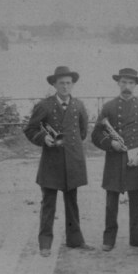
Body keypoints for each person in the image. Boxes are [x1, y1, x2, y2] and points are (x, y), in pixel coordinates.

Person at [23, 66, 94, 257]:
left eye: (68, 83)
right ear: (54, 84)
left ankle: (75, 240)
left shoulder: (78, 105)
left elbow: (82, 131)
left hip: (73, 161)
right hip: (51, 161)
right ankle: (45, 243)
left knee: (72, 202)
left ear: (73, 85)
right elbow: (30, 129)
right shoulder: (44, 105)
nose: (65, 86)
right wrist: (43, 138)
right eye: (61, 83)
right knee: (48, 204)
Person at [91, 68, 138, 252]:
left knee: (136, 201)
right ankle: (109, 239)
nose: (127, 86)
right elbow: (96, 134)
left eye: (131, 83)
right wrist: (111, 143)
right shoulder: (109, 106)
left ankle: (137, 238)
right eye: (124, 82)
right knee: (111, 202)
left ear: (135, 85)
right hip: (114, 160)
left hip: (134, 161)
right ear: (118, 83)